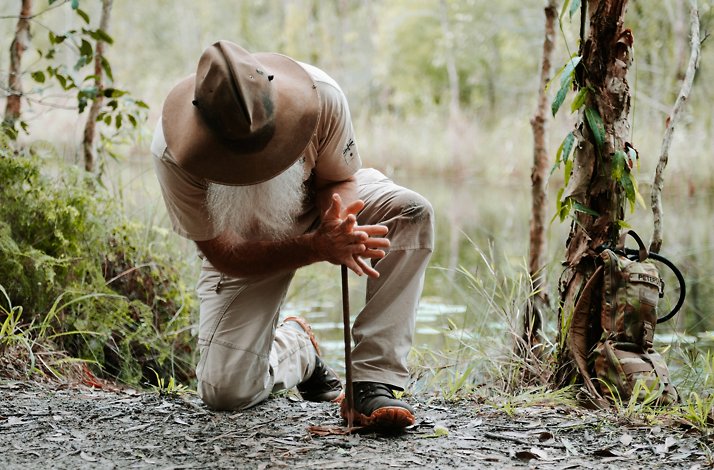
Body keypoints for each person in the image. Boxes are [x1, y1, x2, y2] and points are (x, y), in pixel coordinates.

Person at [150, 40, 433, 430]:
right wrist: (316, 247)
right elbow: (224, 254)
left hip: (318, 204)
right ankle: (298, 348)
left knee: (410, 211)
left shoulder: (322, 96)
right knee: (225, 393)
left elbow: (340, 178)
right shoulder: (174, 153)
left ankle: (371, 382)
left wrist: (340, 221)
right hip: (244, 244)